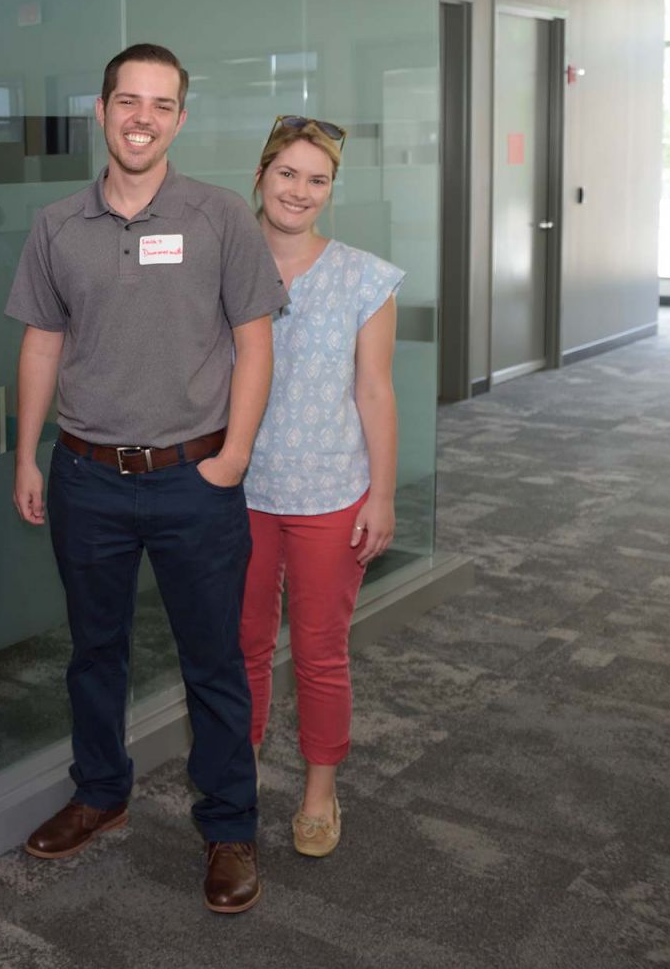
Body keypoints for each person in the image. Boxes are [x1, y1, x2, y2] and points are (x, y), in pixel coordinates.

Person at [5, 42, 287, 914]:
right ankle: (101, 792)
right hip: (88, 476)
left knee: (213, 660)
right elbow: (42, 341)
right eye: (128, 100)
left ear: (181, 119)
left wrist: (233, 458)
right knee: (95, 651)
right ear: (101, 111)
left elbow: (254, 344)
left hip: (193, 478)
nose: (142, 118)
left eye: (162, 104)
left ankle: (229, 824)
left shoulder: (219, 217)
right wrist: (26, 453)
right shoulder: (58, 225)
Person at [239, 115, 402, 859]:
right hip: (238, 489)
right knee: (240, 646)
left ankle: (318, 792)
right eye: (287, 173)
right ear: (261, 176)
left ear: (332, 190)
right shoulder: (225, 264)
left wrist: (383, 494)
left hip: (332, 489)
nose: (299, 191)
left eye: (317, 179)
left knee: (320, 651)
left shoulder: (365, 277)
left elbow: (375, 390)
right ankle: (238, 774)